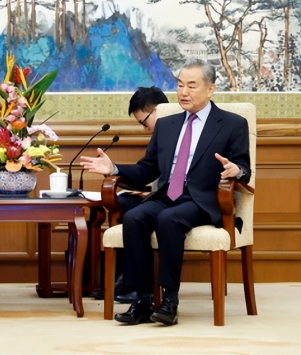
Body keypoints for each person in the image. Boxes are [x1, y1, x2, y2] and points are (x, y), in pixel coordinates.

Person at [81, 59, 250, 326]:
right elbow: (147, 169)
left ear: (210, 89)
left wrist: (235, 170)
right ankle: (143, 301)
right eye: (180, 85)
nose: (184, 92)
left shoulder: (231, 124)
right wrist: (113, 168)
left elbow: (244, 167)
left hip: (203, 200)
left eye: (192, 86)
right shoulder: (167, 125)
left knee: (168, 219)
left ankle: (170, 301)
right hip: (167, 196)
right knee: (134, 217)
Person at [110, 87, 169, 304]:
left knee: (132, 209)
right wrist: (113, 168)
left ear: (158, 111)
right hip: (161, 195)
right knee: (125, 200)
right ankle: (123, 279)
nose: (145, 129)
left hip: (185, 199)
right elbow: (148, 170)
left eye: (144, 122)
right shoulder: (160, 135)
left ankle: (135, 285)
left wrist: (154, 192)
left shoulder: (188, 128)